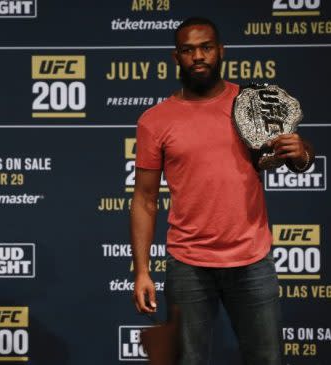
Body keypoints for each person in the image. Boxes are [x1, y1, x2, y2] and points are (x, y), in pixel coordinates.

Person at [130, 17, 314, 365]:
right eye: (188, 50)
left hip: (252, 260)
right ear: (176, 58)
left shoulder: (254, 105)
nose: (198, 56)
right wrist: (141, 270)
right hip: (188, 264)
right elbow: (144, 199)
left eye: (206, 47)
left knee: (267, 360)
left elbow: (299, 158)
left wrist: (301, 150)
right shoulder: (155, 121)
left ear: (221, 52)